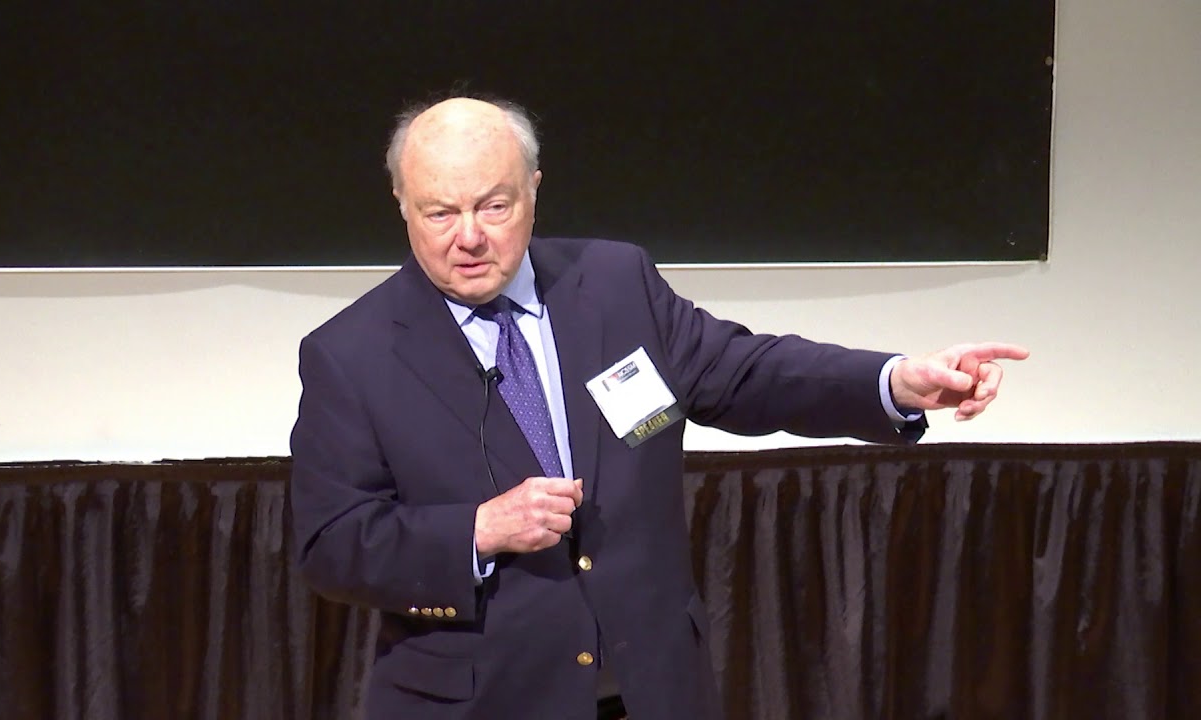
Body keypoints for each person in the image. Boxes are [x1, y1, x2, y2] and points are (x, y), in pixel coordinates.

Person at [289, 96, 1028, 720]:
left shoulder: (615, 283)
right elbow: (331, 545)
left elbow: (746, 371)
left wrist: (895, 382)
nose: (470, 237)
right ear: (401, 204)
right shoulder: (350, 355)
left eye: (494, 205)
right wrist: (476, 532)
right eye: (440, 213)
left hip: (651, 691)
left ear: (534, 189)